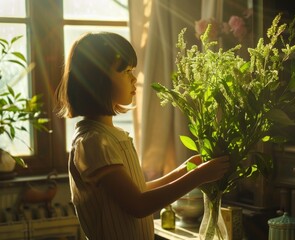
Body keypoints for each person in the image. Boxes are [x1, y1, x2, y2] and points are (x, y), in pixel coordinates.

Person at [54, 32, 229, 240]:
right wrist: (199, 176)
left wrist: (183, 170)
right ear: (99, 79)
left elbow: (137, 191)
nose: (134, 78)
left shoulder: (113, 135)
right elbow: (139, 205)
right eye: (127, 71)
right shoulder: (92, 142)